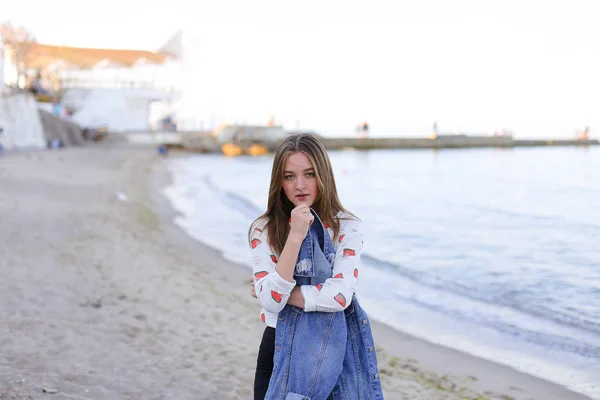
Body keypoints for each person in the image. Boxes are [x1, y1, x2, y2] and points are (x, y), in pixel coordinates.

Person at [247, 133, 383, 400]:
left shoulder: (347, 226)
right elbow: (271, 304)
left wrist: (284, 294)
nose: (300, 185)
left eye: (309, 174)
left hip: (334, 352)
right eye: (289, 176)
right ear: (279, 181)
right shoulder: (263, 230)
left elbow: (340, 295)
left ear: (323, 175)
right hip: (278, 347)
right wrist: (296, 235)